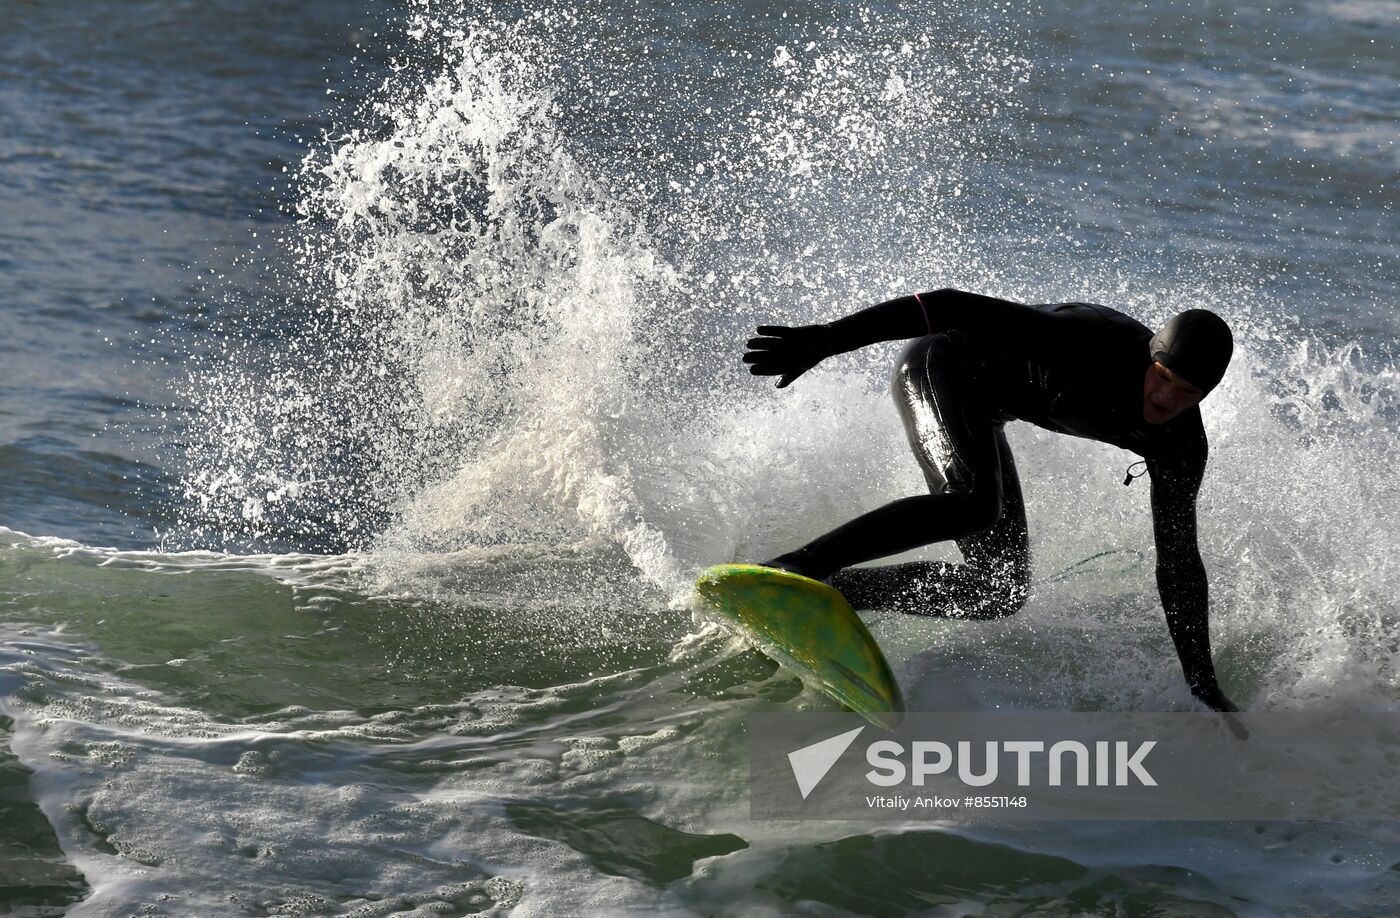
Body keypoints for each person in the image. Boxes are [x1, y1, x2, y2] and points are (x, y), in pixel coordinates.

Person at [743, 288, 1240, 714]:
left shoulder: (1179, 447)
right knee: (974, 502)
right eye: (1162, 377)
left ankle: (836, 592)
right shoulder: (1090, 344)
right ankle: (797, 568)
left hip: (983, 409)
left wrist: (1202, 683)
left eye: (1186, 392)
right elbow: (949, 305)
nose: (1164, 399)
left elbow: (1178, 562)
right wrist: (827, 340)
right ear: (1150, 357)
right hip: (939, 364)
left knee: (997, 592)